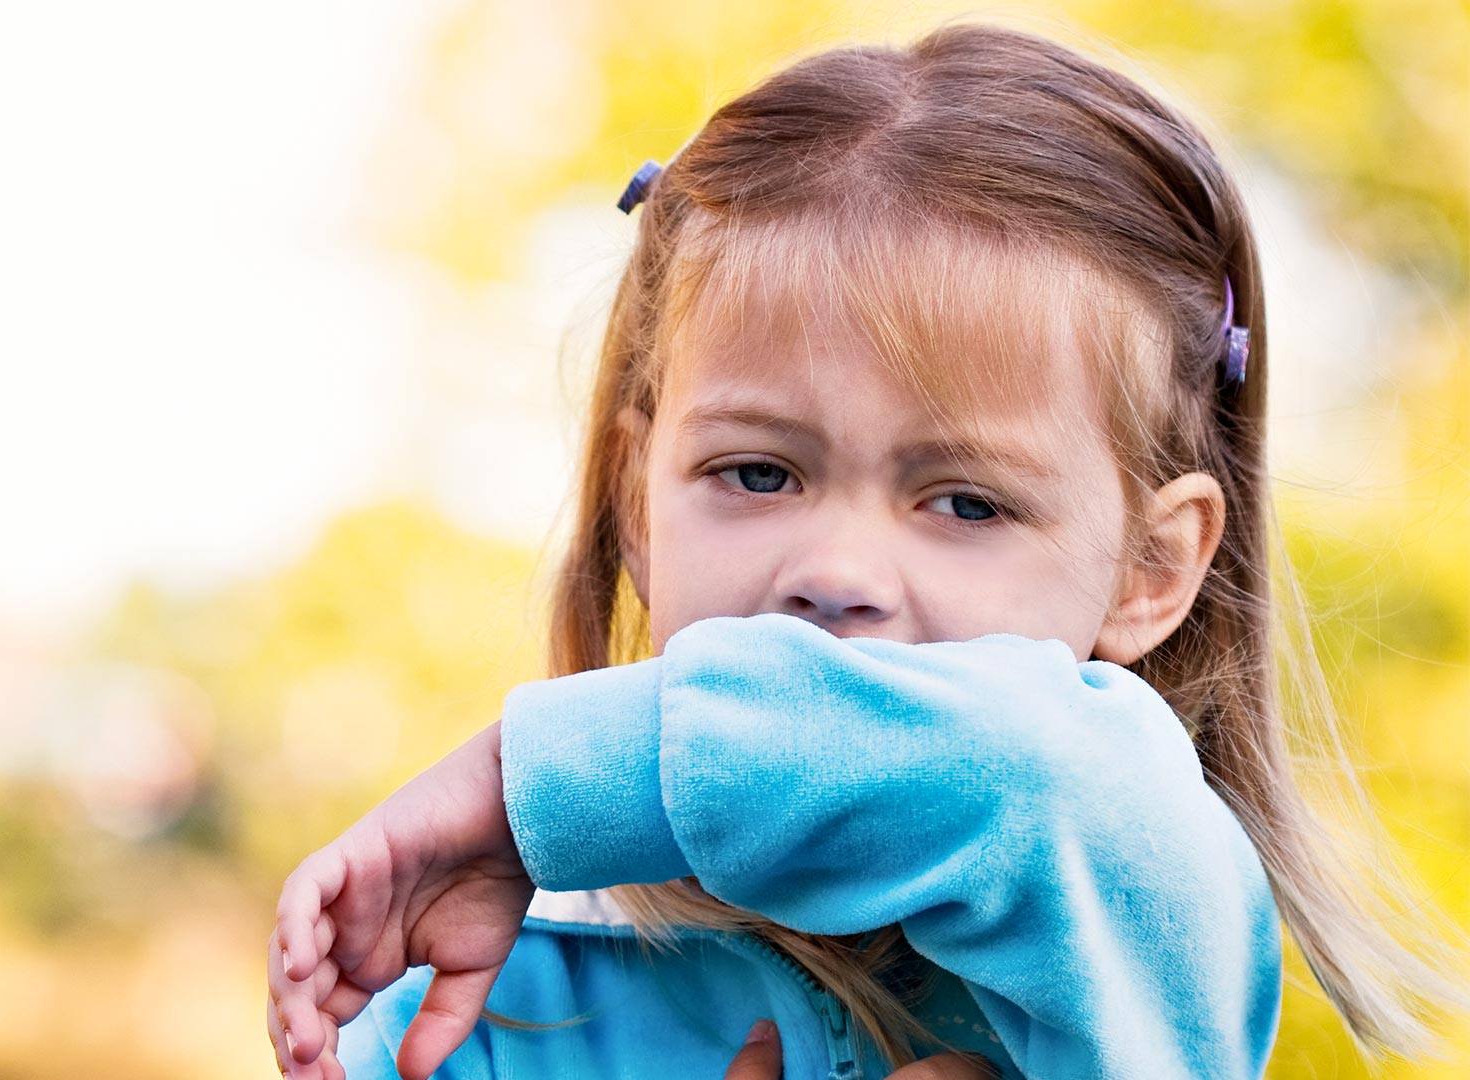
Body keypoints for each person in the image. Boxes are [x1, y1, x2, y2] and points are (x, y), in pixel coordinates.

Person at [265, 20, 1467, 1080]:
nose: (834, 571)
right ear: (639, 505)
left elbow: (1042, 767)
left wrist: (535, 789)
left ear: (1151, 570)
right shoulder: (479, 1007)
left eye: (966, 504)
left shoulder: (1134, 905)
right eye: (757, 473)